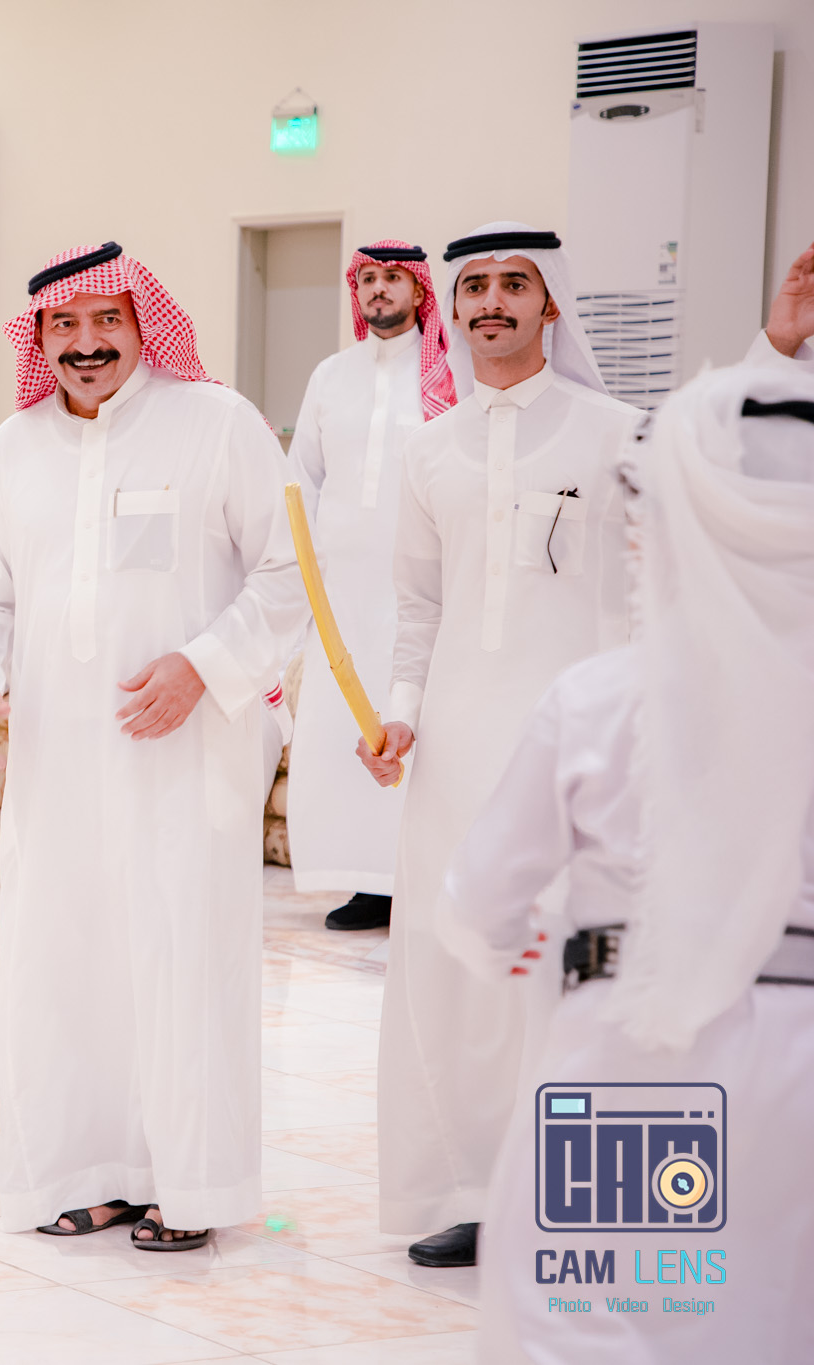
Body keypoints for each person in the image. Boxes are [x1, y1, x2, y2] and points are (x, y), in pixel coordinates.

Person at [440, 305, 814, 1362]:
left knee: (604, 1315)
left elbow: (479, 903)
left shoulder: (603, 700)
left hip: (642, 1060)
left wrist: (506, 946)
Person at [0, 243, 306, 1246]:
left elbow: (288, 575)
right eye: (63, 325)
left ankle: (188, 1185)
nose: (85, 343)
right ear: (38, 338)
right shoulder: (14, 448)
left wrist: (202, 664)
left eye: (105, 319)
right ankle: (87, 1169)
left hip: (186, 753)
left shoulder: (217, 424)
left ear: (143, 322)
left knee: (180, 955)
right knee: (65, 959)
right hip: (58, 760)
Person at [357, 224, 640, 1268]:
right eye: (472, 286)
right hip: (456, 750)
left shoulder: (616, 433)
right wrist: (399, 711)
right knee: (457, 968)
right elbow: (418, 605)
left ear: (548, 302)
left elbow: (650, 591)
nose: (490, 302)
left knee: (571, 966)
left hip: (582, 753)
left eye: (512, 284)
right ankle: (472, 1190)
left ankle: (576, 1193)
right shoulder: (430, 448)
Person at [286, 241, 456, 931]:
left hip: (421, 585)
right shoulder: (331, 376)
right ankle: (361, 878)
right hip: (340, 589)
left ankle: (408, 876)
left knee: (409, 715)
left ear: (418, 290)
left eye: (391, 279)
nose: (378, 290)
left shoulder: (448, 372)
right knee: (336, 726)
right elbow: (303, 478)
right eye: (367, 280)